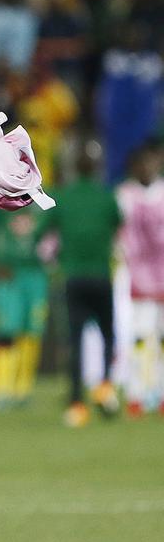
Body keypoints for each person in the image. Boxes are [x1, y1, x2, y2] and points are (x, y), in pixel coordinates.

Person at [36, 142, 122, 427]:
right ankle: (105, 386)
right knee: (108, 334)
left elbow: (41, 235)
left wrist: (57, 257)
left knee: (74, 341)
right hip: (100, 275)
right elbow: (119, 226)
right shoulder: (107, 197)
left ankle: (76, 405)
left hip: (72, 278)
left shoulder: (63, 197)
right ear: (97, 167)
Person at [0, 207, 48, 409]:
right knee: (6, 332)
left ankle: (23, 391)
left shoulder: (43, 200)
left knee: (32, 333)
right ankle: (2, 391)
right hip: (9, 273)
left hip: (36, 274)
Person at [115, 143, 164, 417]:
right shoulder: (124, 195)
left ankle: (159, 392)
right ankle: (137, 392)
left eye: (152, 162)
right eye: (143, 163)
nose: (148, 167)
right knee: (140, 336)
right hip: (136, 276)